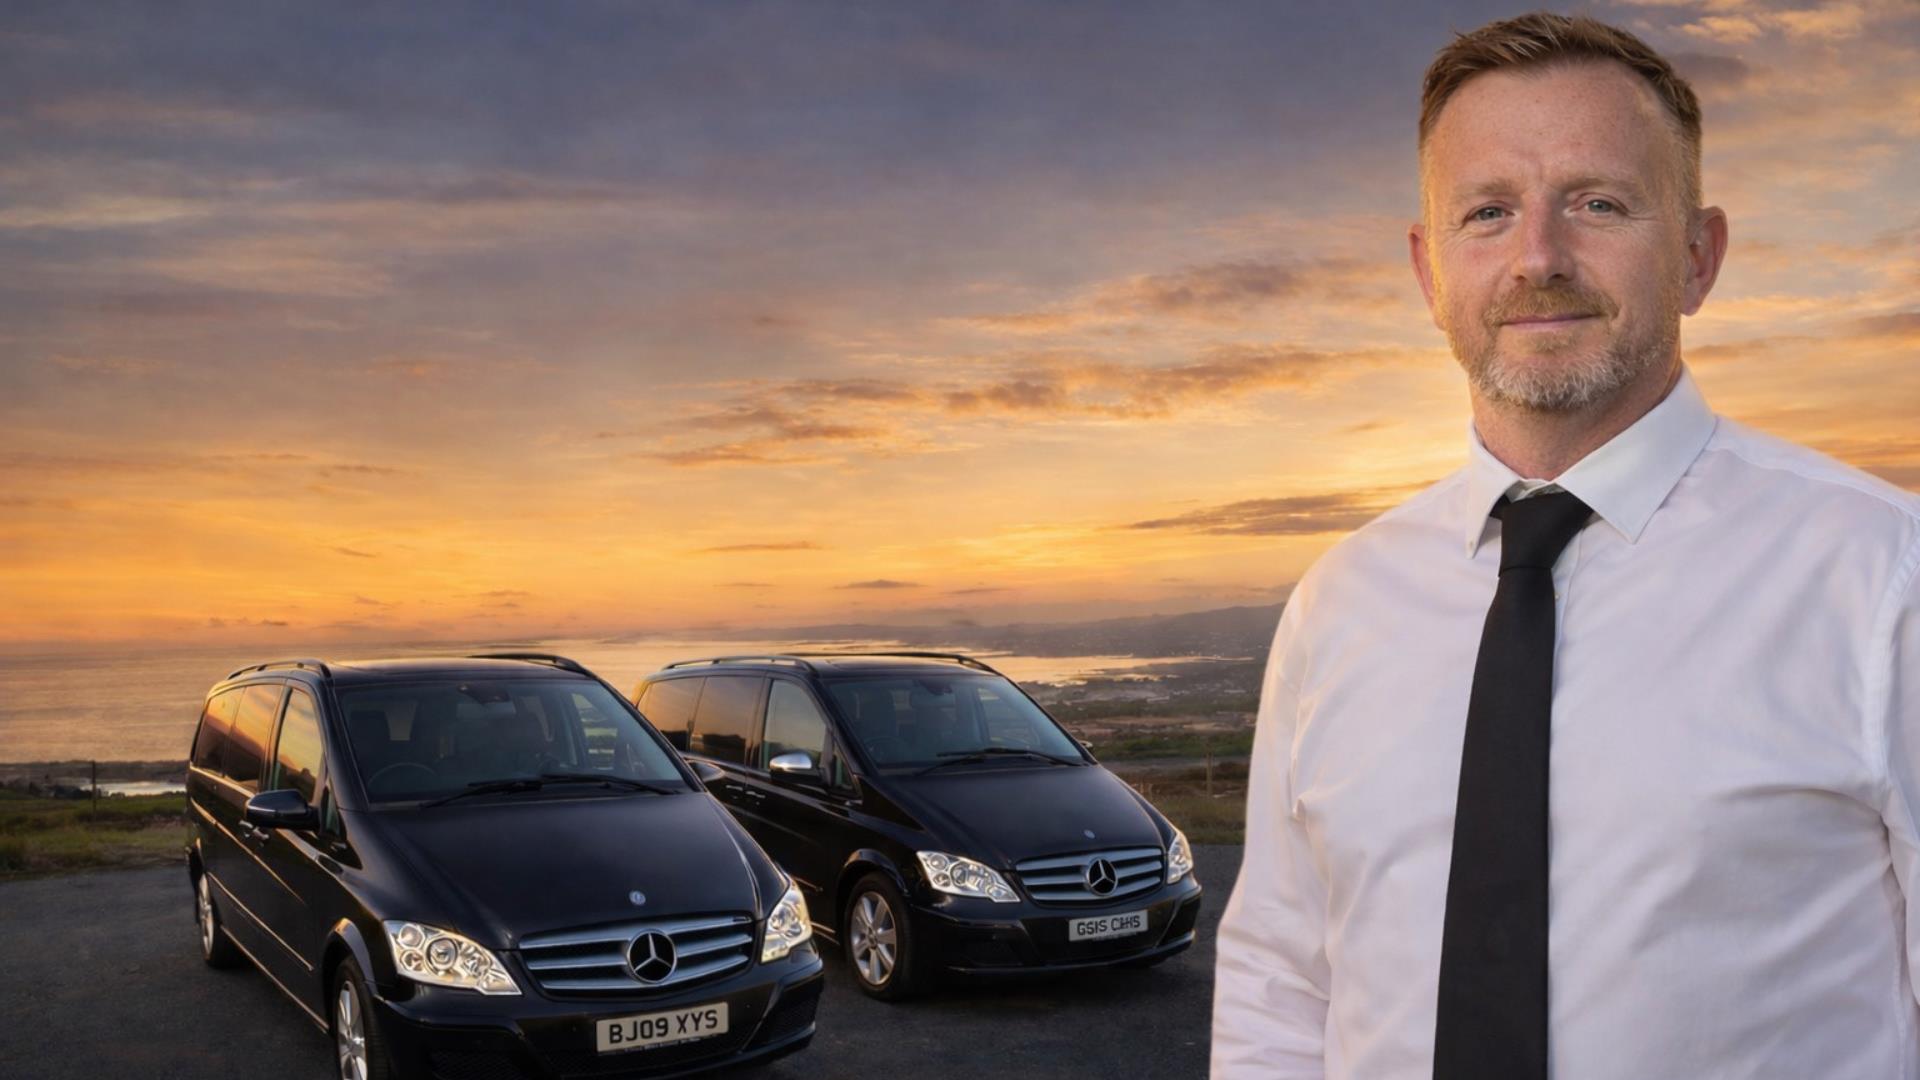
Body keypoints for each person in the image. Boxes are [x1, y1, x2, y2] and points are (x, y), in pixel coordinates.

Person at [1209, 11, 1920, 1079]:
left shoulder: (1881, 578)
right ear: (1428, 271)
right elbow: (1281, 978)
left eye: (1597, 203)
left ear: (1696, 255)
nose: (1538, 258)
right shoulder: (1338, 605)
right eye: (1487, 212)